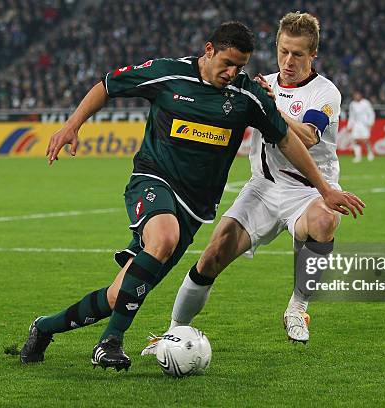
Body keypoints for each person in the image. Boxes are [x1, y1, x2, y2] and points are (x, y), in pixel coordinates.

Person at [19, 21, 364, 371]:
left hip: (196, 205)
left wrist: (325, 189)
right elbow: (107, 85)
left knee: (116, 296)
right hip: (154, 179)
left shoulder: (249, 95)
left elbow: (291, 139)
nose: (232, 72)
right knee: (164, 237)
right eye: (227, 63)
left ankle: (44, 327)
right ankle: (110, 342)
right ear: (208, 50)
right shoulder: (170, 74)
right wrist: (71, 125)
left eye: (240, 66)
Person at [140, 12, 359, 350]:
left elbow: (309, 137)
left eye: (298, 54)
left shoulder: (324, 93)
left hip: (308, 192)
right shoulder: (258, 83)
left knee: (325, 220)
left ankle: (298, 307)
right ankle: (172, 332)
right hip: (264, 187)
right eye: (283, 51)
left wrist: (271, 107)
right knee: (212, 255)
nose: (288, 61)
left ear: (313, 55)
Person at [347, 90, 375, 163]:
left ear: (361, 95)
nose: (357, 96)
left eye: (358, 95)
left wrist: (371, 122)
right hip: (356, 124)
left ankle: (370, 153)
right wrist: (349, 126)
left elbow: (371, 113)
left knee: (365, 140)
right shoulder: (352, 104)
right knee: (356, 140)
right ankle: (358, 157)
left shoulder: (366, 103)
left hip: (365, 124)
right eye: (355, 95)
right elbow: (351, 116)